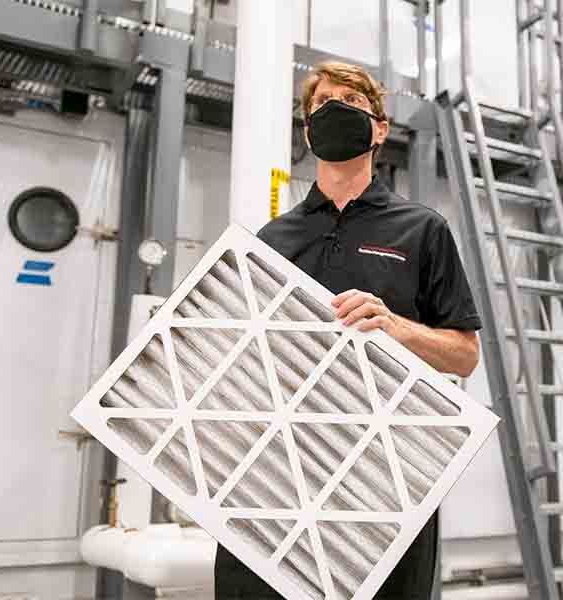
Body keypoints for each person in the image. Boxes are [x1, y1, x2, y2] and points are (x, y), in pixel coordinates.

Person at [214, 61, 482, 600]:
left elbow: (464, 356)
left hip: (386, 475)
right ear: (308, 129)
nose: (335, 111)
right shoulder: (272, 236)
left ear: (380, 128)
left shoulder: (422, 229)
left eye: (352, 104)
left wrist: (396, 327)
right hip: (277, 467)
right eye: (322, 104)